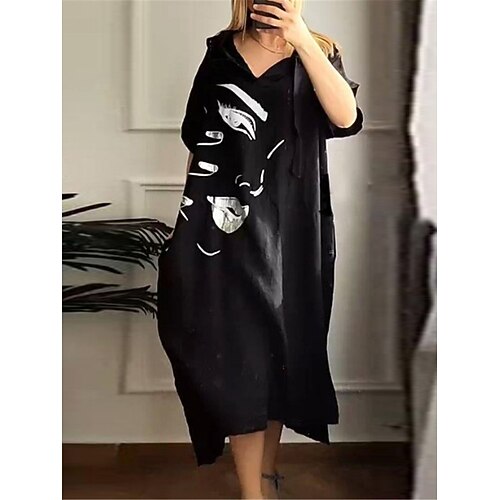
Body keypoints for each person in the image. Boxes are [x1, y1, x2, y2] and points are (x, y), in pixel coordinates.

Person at [156, 1, 363, 498]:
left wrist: (302, 39)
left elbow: (346, 118)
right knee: (239, 361)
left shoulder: (320, 51)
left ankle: (266, 475)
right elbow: (199, 142)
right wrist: (185, 226)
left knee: (279, 357)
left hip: (294, 232)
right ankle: (254, 492)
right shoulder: (221, 54)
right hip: (222, 230)